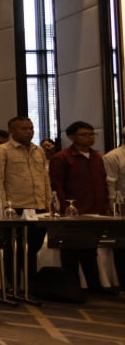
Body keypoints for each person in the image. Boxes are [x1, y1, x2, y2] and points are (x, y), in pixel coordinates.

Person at [49, 121, 114, 295]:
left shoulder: (96, 157)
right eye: (84, 134)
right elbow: (57, 185)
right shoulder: (62, 158)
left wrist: (106, 205)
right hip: (73, 212)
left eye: (92, 134)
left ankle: (94, 286)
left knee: (90, 250)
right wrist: (64, 207)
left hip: (96, 211)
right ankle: (71, 288)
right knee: (71, 251)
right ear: (71, 137)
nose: (90, 138)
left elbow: (103, 183)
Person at [0, 116, 51, 284]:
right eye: (24, 129)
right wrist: (3, 206)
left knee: (34, 247)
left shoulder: (38, 150)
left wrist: (48, 202)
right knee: (14, 248)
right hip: (15, 207)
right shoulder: (2, 150)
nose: (29, 132)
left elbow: (45, 178)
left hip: (38, 206)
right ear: (11, 131)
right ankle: (13, 284)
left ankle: (30, 283)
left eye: (31, 128)